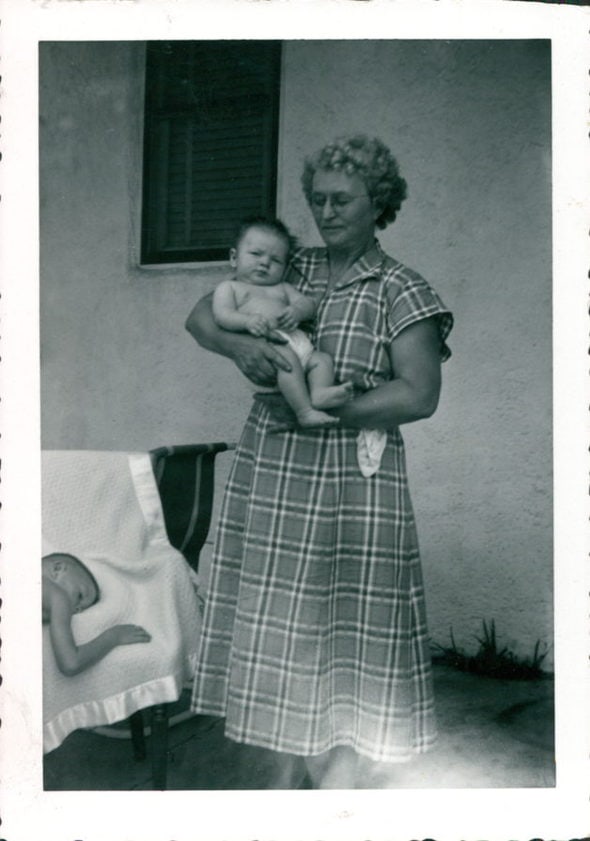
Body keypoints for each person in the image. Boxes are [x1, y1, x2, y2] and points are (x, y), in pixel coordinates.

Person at [185, 134, 453, 789]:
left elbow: (419, 393)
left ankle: (339, 778)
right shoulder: (289, 267)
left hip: (353, 484)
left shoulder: (400, 287)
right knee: (282, 625)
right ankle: (286, 772)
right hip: (276, 470)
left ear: (377, 202)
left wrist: (330, 411)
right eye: (318, 201)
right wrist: (237, 349)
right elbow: (200, 316)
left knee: (342, 628)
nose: (327, 212)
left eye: (342, 200)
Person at [213, 216, 353, 428]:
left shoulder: (282, 287)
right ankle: (305, 412)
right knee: (286, 360)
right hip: (270, 350)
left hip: (299, 345)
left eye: (275, 260)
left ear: (285, 268)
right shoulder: (230, 288)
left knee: (322, 359)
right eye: (256, 254)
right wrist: (246, 321)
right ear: (234, 257)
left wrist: (297, 311)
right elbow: (222, 315)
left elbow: (308, 304)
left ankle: (319, 393)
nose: (264, 262)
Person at [42, 552, 151, 676]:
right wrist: (113, 636)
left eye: (80, 609)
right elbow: (71, 663)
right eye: (80, 596)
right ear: (57, 568)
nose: (76, 610)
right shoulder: (59, 597)